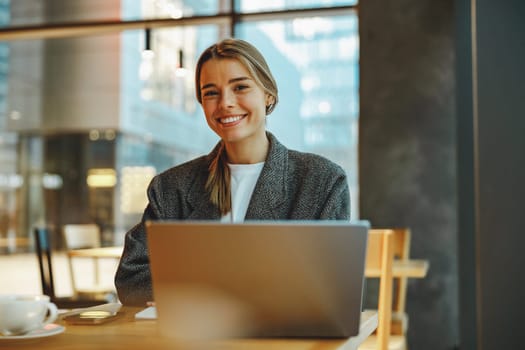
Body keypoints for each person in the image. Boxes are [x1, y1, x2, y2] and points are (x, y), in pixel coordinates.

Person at [115, 38, 350, 305]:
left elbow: (331, 290)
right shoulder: (171, 187)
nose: (225, 103)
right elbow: (132, 279)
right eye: (211, 92)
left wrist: (198, 287)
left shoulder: (321, 181)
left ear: (268, 94)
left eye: (240, 87)